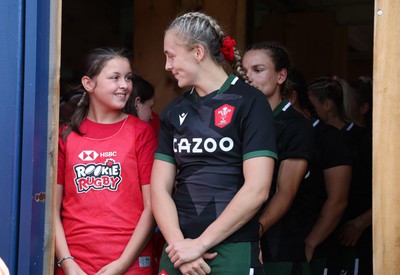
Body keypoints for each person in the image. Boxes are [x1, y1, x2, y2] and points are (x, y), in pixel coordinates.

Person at [151, 11, 277, 275]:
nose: (166, 66)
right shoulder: (173, 111)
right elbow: (159, 188)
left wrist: (199, 245)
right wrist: (179, 246)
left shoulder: (250, 102)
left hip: (231, 249)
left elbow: (258, 188)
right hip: (178, 252)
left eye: (171, 55)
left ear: (198, 52)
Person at [56, 47, 157, 274]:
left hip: (130, 263)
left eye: (128, 78)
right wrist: (67, 263)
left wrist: (121, 265)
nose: (125, 85)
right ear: (89, 84)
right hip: (75, 263)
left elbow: (152, 206)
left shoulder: (141, 132)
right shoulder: (66, 136)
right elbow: (51, 210)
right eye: (115, 78)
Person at [242, 42, 315, 274]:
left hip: (279, 247)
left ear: (281, 75)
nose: (249, 78)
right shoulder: (240, 120)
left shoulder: (296, 126)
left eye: (258, 70)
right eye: (244, 72)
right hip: (235, 241)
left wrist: (254, 232)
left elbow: (286, 191)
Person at [286, 69, 352, 274]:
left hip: (315, 248)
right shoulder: (269, 130)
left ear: (291, 97)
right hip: (278, 247)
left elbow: (338, 200)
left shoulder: (327, 137)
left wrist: (311, 242)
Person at [307, 76, 371, 274]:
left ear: (327, 105)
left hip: (358, 234)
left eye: (310, 105)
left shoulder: (363, 138)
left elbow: (392, 190)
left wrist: (360, 223)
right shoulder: (316, 138)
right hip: (330, 235)